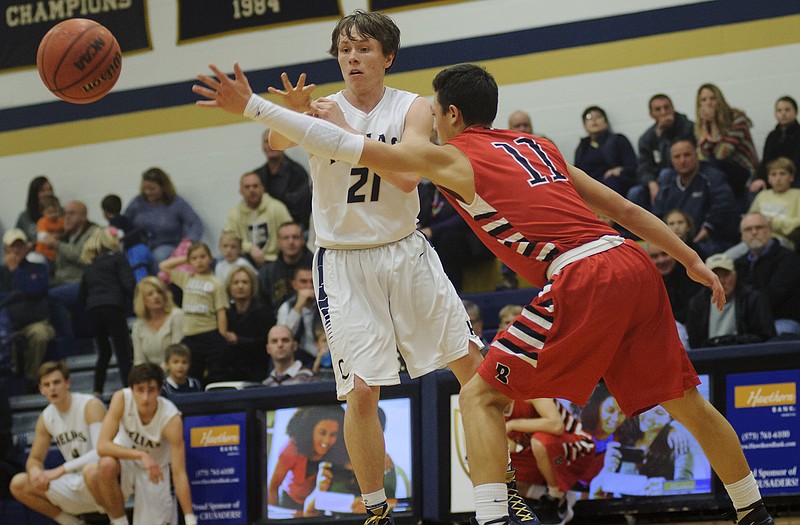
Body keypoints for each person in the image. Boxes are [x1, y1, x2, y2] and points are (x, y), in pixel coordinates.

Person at [194, 59, 777, 525]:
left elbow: (352, 149)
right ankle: (752, 508)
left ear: (449, 113)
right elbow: (624, 209)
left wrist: (251, 106)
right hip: (632, 264)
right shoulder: (537, 145)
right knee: (686, 402)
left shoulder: (452, 157)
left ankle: (494, 518)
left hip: (580, 274)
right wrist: (691, 259)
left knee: (479, 396)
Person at [84, 363, 196, 525]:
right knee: (98, 468)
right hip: (125, 462)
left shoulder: (171, 418)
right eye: (140, 390)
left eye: (151, 390)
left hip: (155, 469)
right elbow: (102, 446)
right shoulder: (121, 398)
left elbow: (179, 473)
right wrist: (141, 455)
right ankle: (119, 520)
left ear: (159, 391)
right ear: (131, 389)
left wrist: (189, 517)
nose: (145, 397)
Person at [9, 361, 106, 525]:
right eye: (46, 385)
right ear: (41, 390)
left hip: (104, 477)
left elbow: (101, 452)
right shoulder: (46, 417)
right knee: (18, 484)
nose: (52, 388)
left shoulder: (90, 405)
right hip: (76, 479)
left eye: (56, 382)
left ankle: (116, 518)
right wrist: (35, 472)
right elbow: (34, 459)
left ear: (68, 383)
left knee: (94, 470)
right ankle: (71, 523)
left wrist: (59, 471)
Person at [505, 398, 594, 524]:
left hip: (580, 447)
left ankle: (557, 499)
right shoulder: (495, 412)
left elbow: (556, 425)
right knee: (500, 471)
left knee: (539, 441)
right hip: (544, 455)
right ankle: (554, 498)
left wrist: (513, 424)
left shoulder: (528, 389)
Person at [652, 139, 741, 255]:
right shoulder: (667, 181)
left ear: (696, 155)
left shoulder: (713, 177)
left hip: (710, 241)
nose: (682, 160)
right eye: (677, 157)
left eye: (687, 155)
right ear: (671, 160)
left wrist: (707, 230)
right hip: (675, 243)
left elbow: (724, 208)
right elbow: (657, 214)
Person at [159, 242, 229, 385]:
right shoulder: (186, 278)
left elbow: (220, 311)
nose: (199, 261)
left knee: (217, 373)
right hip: (191, 336)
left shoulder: (216, 283)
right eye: (194, 258)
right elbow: (164, 266)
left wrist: (222, 334)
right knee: (192, 373)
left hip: (209, 333)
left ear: (210, 258)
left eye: (203, 256)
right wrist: (186, 258)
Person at [78, 227, 135, 397]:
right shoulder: (117, 259)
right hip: (113, 307)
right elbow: (128, 284)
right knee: (123, 350)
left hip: (94, 310)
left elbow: (81, 295)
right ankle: (129, 388)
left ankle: (97, 390)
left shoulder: (90, 266)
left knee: (104, 352)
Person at [590, 406, 694, 498]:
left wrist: (665, 488)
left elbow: (688, 486)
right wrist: (607, 469)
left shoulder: (679, 443)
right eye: (646, 408)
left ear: (669, 419)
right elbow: (595, 490)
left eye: (659, 413)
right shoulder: (625, 438)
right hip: (623, 511)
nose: (648, 416)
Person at [0, 228, 55, 388]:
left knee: (41, 334)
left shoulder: (38, 268)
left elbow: (35, 289)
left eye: (20, 245)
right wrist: (19, 294)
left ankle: (31, 379)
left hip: (34, 322)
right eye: (13, 246)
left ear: (26, 247)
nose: (17, 250)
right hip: (6, 325)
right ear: (6, 250)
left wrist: (16, 271)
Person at [686, 253, 775, 348]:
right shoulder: (697, 303)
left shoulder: (753, 298)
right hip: (710, 356)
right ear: (704, 281)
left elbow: (766, 336)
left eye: (725, 275)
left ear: (735, 275)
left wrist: (727, 342)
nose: (721, 281)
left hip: (746, 354)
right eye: (714, 276)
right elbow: (695, 343)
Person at [268, 405, 345, 513]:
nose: (327, 440)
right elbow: (273, 488)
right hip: (289, 501)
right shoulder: (291, 449)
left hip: (317, 504)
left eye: (333, 434)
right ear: (309, 431)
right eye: (322, 433)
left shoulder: (338, 451)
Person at [46, 200, 99, 354]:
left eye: (71, 213)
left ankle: (68, 343)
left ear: (83, 216)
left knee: (53, 297)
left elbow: (83, 256)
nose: (66, 218)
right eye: (65, 214)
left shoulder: (95, 232)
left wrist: (57, 244)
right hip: (61, 282)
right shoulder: (66, 235)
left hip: (84, 282)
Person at [124, 167, 204, 270]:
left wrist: (189, 242)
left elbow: (196, 223)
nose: (148, 192)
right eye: (145, 188)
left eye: (152, 189)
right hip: (142, 244)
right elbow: (125, 222)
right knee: (136, 254)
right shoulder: (138, 202)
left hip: (167, 245)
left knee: (159, 256)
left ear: (163, 187)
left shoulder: (176, 203)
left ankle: (158, 284)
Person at [734, 212, 800, 337]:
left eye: (759, 227)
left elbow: (773, 295)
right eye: (748, 229)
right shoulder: (739, 264)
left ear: (770, 230)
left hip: (782, 319)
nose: (754, 232)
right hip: (750, 322)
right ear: (742, 236)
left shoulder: (788, 259)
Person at [695, 83, 759, 205]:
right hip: (722, 176)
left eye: (712, 98)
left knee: (714, 165)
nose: (708, 103)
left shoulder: (737, 118)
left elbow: (722, 153)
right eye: (703, 100)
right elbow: (702, 158)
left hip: (744, 171)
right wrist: (704, 127)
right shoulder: (702, 127)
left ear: (720, 100)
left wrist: (713, 124)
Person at [631, 94, 695, 209]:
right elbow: (644, 165)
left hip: (682, 174)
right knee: (635, 193)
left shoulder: (688, 127)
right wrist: (651, 182)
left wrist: (663, 136)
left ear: (673, 108)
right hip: (657, 179)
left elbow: (674, 159)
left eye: (666, 107)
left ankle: (660, 219)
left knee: (666, 173)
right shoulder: (647, 137)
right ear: (651, 114)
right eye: (658, 109)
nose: (663, 112)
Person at [224, 171, 293, 267]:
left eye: (255, 186)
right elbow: (228, 240)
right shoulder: (234, 214)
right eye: (247, 187)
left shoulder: (277, 208)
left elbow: (290, 233)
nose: (251, 190)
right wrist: (249, 248)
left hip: (275, 260)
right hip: (245, 261)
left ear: (262, 188)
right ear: (241, 191)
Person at [644, 242, 702, 349]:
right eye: (654, 256)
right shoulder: (644, 281)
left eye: (665, 254)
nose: (661, 260)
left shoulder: (691, 274)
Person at [254, 128, 313, 231]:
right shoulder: (258, 175)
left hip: (294, 231)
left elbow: (301, 209)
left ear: (284, 144)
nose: (271, 145)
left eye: (274, 141)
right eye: (266, 142)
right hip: (267, 230)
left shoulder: (297, 173)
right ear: (262, 147)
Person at [574, 106, 637, 197]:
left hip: (613, 183)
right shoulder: (582, 147)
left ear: (606, 122)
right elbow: (577, 172)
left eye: (598, 116)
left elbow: (631, 165)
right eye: (589, 118)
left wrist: (619, 170)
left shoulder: (618, 140)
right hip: (590, 187)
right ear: (584, 125)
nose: (594, 120)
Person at [224, 264, 273, 381]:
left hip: (257, 369)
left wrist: (238, 340)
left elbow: (264, 343)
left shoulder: (263, 312)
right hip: (231, 370)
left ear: (252, 286)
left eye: (245, 282)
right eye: (236, 283)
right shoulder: (226, 313)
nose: (240, 286)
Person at [258, 221, 314, 313]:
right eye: (285, 238)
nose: (291, 242)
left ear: (303, 240)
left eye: (295, 237)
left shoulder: (316, 267)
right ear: (278, 242)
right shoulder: (267, 273)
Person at [747, 157, 800, 249]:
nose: (778, 178)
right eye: (773, 174)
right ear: (768, 179)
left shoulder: (797, 195)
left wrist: (773, 222)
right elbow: (750, 218)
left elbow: (797, 222)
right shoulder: (762, 195)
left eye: (782, 174)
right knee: (724, 259)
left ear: (791, 177)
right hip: (755, 239)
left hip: (781, 241)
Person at [131, 276, 184, 366]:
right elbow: (139, 360)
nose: (156, 296)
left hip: (173, 371)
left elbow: (177, 353)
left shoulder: (177, 315)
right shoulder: (138, 325)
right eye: (150, 294)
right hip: (150, 375)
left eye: (159, 292)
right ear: (142, 300)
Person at [276, 266, 320, 368]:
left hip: (324, 357)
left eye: (312, 282)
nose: (309, 286)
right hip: (297, 358)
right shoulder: (287, 307)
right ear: (294, 285)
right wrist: (298, 307)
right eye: (304, 282)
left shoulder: (327, 305)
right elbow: (283, 337)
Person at [101, 194, 151, 282]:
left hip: (134, 250)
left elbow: (119, 236)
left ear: (104, 211)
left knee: (140, 277)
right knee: (143, 272)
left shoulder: (114, 222)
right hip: (143, 247)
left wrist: (116, 252)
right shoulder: (124, 219)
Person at [755, 96, 800, 189]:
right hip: (774, 179)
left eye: (787, 110)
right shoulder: (772, 136)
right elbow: (766, 161)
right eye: (779, 110)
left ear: (796, 112)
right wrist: (759, 178)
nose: (783, 113)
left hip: (795, 178)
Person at [15, 176, 54, 243]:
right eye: (42, 190)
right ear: (34, 193)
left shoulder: (60, 212)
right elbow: (16, 239)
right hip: (32, 252)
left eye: (49, 190)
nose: (47, 193)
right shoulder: (25, 217)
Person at [35, 195, 64, 265]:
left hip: (57, 253)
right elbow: (42, 236)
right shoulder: (42, 222)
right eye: (49, 212)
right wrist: (57, 236)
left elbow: (66, 233)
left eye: (55, 211)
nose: (53, 214)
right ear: (43, 212)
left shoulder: (62, 221)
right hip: (43, 253)